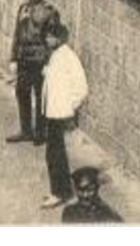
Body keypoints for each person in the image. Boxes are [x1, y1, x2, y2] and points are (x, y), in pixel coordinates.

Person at [8, 0, 61, 145]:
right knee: (22, 93)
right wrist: (13, 58)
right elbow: (17, 35)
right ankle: (25, 130)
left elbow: (53, 40)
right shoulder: (23, 8)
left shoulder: (49, 11)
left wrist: (48, 62)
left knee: (40, 96)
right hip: (24, 58)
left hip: (38, 60)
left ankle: (40, 132)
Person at [40, 21, 88, 209]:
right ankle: (62, 190)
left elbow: (82, 88)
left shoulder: (68, 57)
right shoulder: (56, 55)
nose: (47, 39)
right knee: (53, 153)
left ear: (59, 38)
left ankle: (60, 192)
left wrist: (70, 107)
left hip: (59, 114)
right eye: (46, 36)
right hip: (52, 112)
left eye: (51, 36)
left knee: (55, 154)